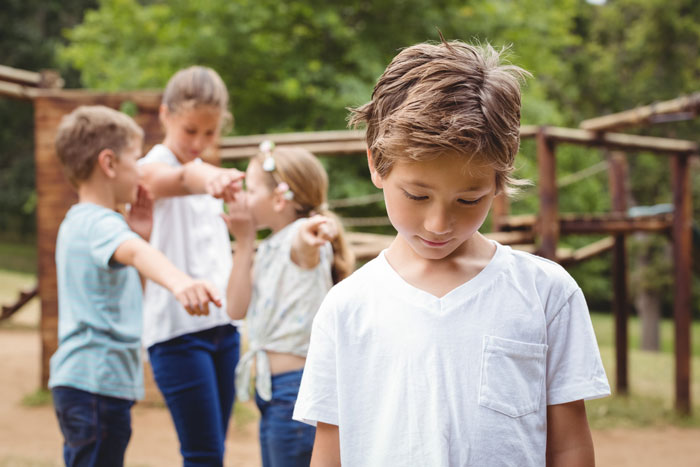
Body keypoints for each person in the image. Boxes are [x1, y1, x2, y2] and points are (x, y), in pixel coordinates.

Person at [293, 40, 611, 467]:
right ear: (376, 164)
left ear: (499, 181)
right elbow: (330, 451)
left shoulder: (547, 293)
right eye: (417, 195)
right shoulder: (346, 308)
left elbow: (570, 445)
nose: (438, 224)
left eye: (468, 200)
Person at [49, 105, 220, 467]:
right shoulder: (98, 223)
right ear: (108, 164)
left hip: (96, 386)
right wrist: (180, 282)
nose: (141, 171)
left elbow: (124, 288)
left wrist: (138, 232)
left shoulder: (87, 224)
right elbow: (140, 255)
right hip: (95, 384)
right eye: (134, 160)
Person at [221, 142, 355, 467]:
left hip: (294, 388)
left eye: (251, 190)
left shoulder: (301, 237)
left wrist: (314, 231)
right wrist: (244, 242)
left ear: (279, 199)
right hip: (273, 391)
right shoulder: (267, 246)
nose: (245, 198)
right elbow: (235, 309)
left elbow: (306, 241)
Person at [137, 66, 244, 465]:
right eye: (190, 130)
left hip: (223, 329)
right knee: (202, 454)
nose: (199, 142)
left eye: (210, 133)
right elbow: (180, 178)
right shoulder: (150, 167)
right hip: (177, 333)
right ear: (165, 115)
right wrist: (209, 175)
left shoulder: (209, 180)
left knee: (214, 450)